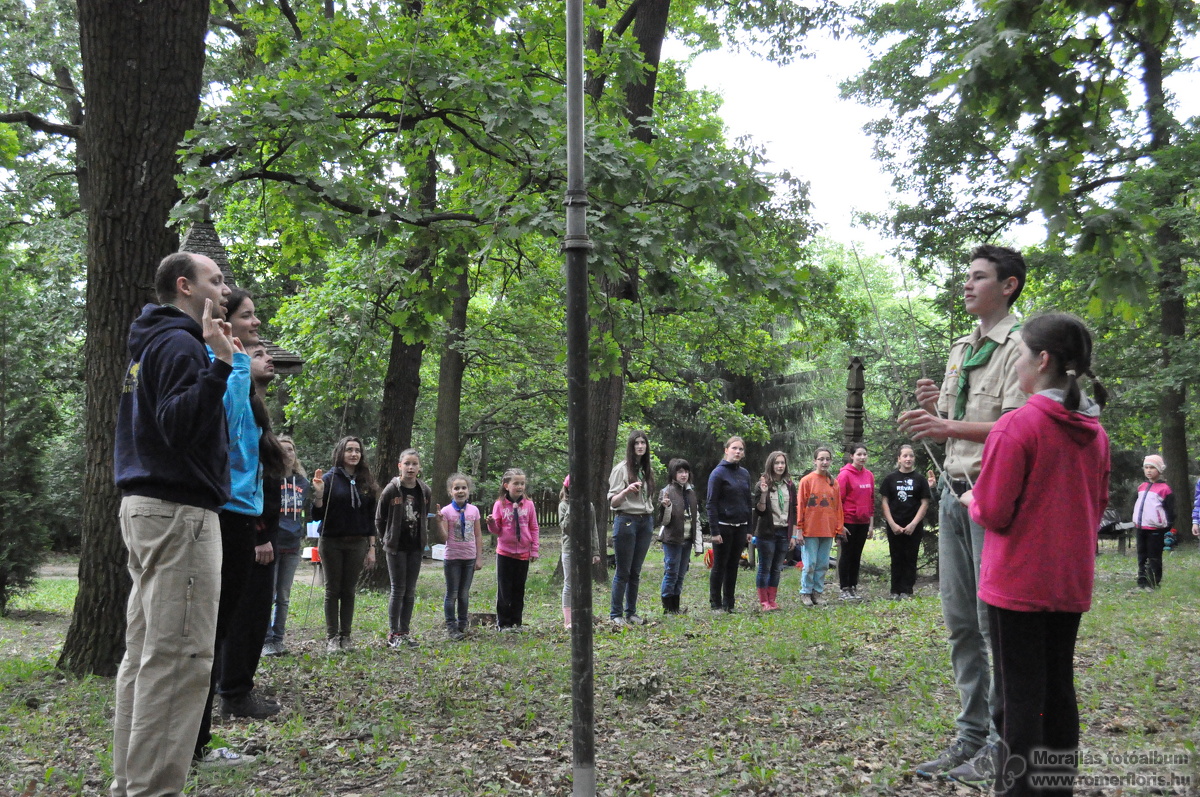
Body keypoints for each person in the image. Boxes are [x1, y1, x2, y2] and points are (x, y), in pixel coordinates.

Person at [963, 312, 1110, 796]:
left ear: (1042, 360)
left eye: (1020, 356)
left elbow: (996, 510)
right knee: (1058, 692)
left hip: (1018, 587)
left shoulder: (1018, 426)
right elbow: (1097, 503)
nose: (1017, 365)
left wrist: (973, 500)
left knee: (1019, 699)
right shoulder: (1095, 432)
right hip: (1068, 583)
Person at [898, 244, 1028, 787]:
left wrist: (948, 427)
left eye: (979, 277)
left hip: (990, 500)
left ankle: (1001, 743)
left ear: (1010, 285)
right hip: (952, 497)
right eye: (966, 277)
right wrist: (936, 409)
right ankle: (970, 735)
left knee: (989, 623)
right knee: (958, 625)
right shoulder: (961, 349)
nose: (967, 285)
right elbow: (955, 419)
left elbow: (1022, 427)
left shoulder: (1024, 348)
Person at [112, 251, 241, 793]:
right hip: (177, 517)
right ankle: (150, 790)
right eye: (216, 279)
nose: (227, 288)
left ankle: (129, 784)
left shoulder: (151, 345)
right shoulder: (181, 344)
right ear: (186, 287)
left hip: (146, 511)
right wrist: (220, 365)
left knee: (144, 658)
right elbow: (177, 424)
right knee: (180, 658)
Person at [312, 436, 379, 651]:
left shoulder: (366, 480)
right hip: (331, 541)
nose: (353, 454)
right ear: (340, 453)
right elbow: (316, 514)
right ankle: (332, 637)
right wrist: (320, 494)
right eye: (349, 450)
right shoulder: (330, 478)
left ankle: (346, 636)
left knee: (349, 590)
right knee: (333, 590)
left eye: (357, 450)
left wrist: (371, 548)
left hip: (357, 542)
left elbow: (371, 518)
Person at [376, 449, 435, 648]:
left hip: (415, 547)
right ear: (399, 466)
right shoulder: (391, 490)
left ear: (419, 467)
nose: (411, 468)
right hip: (396, 547)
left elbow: (425, 516)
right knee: (398, 589)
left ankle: (405, 631)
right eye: (407, 464)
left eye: (414, 464)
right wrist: (388, 537)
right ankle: (394, 633)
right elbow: (379, 518)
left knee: (410, 590)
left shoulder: (424, 490)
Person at [263, 435, 310, 657]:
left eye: (290, 450)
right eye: (282, 450)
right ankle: (265, 639)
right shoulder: (268, 478)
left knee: (283, 595)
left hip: (293, 544)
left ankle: (278, 639)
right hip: (271, 544)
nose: (287, 454)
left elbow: (311, 512)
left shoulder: (302, 482)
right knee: (268, 594)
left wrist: (318, 498)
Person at [607, 430, 657, 627]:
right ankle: (615, 614)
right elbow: (613, 502)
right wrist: (626, 490)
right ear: (631, 446)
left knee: (636, 571)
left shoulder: (647, 470)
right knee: (623, 571)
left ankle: (631, 612)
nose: (640, 446)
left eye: (643, 443)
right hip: (627, 520)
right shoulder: (621, 469)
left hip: (646, 522)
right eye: (636, 443)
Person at [487, 468, 540, 629]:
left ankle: (517, 622)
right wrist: (491, 524)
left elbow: (534, 527)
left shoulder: (529, 505)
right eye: (516, 483)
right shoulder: (499, 505)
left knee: (519, 589)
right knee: (504, 590)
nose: (520, 486)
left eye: (522, 483)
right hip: (505, 553)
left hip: (523, 553)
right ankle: (503, 623)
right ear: (506, 485)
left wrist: (534, 549)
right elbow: (497, 530)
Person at [706, 436, 753, 613]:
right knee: (720, 565)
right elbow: (711, 503)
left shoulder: (744, 474)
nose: (737, 452)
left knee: (733, 565)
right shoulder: (718, 474)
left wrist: (749, 528)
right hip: (723, 526)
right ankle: (715, 603)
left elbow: (748, 502)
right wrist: (714, 531)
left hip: (740, 526)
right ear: (726, 450)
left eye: (741, 449)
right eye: (734, 448)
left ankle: (729, 603)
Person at [879, 445, 932, 599]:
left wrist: (914, 524)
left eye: (911, 456)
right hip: (894, 524)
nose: (908, 459)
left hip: (913, 525)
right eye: (905, 456)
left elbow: (924, 503)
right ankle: (895, 590)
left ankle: (907, 590)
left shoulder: (920, 479)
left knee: (910, 557)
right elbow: (884, 502)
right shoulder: (890, 479)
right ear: (899, 459)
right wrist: (892, 524)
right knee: (896, 557)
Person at [438, 473, 483, 641]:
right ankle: (451, 626)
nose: (460, 491)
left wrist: (479, 557)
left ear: (468, 491)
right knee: (452, 593)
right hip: (452, 559)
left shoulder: (474, 511)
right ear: (451, 492)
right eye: (456, 488)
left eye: (463, 487)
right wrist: (438, 522)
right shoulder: (446, 511)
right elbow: (444, 538)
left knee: (464, 593)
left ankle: (462, 624)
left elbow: (478, 535)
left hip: (469, 558)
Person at [795, 447, 842, 606]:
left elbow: (838, 508)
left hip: (827, 530)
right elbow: (801, 505)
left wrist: (838, 529)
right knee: (810, 564)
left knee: (822, 564)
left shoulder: (833, 483)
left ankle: (817, 592)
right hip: (810, 530)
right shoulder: (806, 481)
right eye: (821, 459)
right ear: (815, 461)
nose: (824, 462)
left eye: (827, 459)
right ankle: (806, 592)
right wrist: (799, 529)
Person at [751, 451, 796, 611]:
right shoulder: (762, 485)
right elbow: (760, 510)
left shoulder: (789, 485)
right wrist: (763, 494)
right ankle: (764, 602)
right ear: (771, 464)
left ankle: (772, 600)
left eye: (782, 463)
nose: (779, 466)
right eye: (776, 463)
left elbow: (793, 511)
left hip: (784, 532)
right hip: (766, 533)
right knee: (765, 567)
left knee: (777, 567)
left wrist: (793, 535)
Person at [659, 458, 700, 614]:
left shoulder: (690, 492)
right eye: (680, 472)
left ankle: (675, 606)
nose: (684, 475)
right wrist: (667, 506)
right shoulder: (667, 491)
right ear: (673, 474)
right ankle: (667, 607)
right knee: (671, 571)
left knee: (681, 573)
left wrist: (697, 542)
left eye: (686, 471)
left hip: (687, 539)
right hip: (672, 539)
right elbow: (663, 521)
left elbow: (695, 518)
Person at [560, 476, 601, 628]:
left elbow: (593, 529)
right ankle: (568, 620)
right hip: (570, 550)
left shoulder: (589, 505)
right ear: (568, 488)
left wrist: (595, 551)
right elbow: (566, 528)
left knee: (584, 583)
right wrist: (572, 507)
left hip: (586, 551)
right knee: (569, 584)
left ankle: (583, 614)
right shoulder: (563, 506)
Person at [836, 444, 875, 601]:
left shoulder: (869, 475)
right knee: (847, 554)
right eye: (859, 454)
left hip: (863, 521)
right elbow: (837, 501)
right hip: (848, 521)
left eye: (864, 454)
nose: (862, 457)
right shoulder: (844, 475)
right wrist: (840, 525)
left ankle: (853, 586)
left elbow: (871, 501)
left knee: (856, 555)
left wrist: (871, 524)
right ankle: (844, 587)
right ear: (852, 456)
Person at [1132, 454, 1173, 590]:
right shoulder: (1141, 487)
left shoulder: (1165, 489)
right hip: (1141, 527)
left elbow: (1170, 510)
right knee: (1141, 556)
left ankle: (1153, 582)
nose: (1149, 471)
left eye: (1152, 468)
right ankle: (1142, 581)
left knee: (1154, 556)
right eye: (1146, 467)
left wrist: (1166, 526)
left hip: (1156, 529)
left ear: (1159, 470)